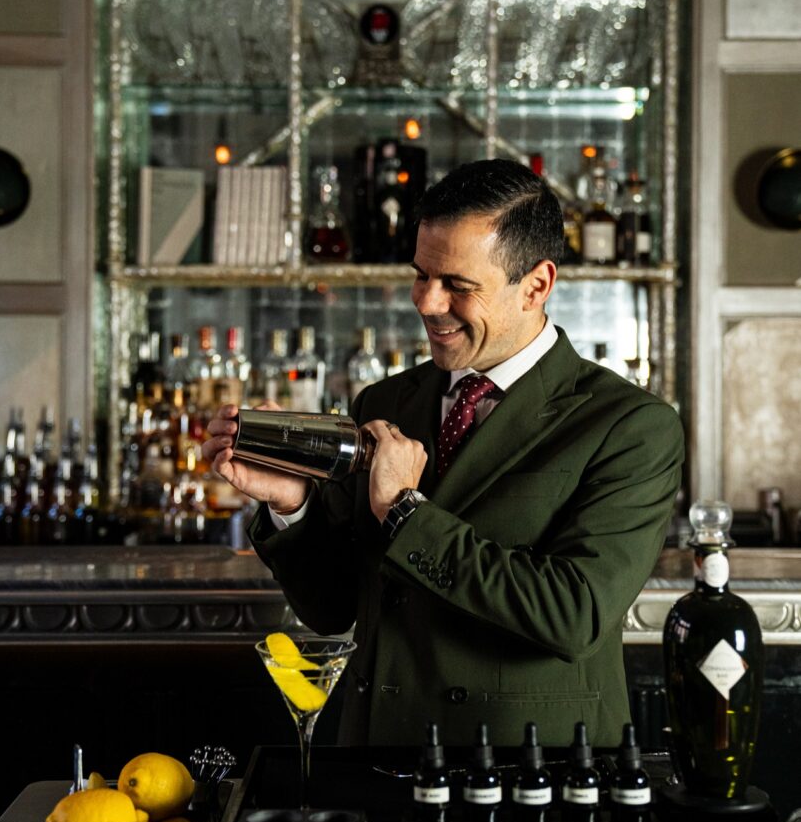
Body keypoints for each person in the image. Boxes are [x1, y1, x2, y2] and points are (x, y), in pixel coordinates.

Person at [203, 159, 684, 748]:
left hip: (528, 768)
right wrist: (291, 505)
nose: (427, 303)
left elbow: (574, 613)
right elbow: (332, 608)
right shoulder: (385, 400)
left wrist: (406, 510)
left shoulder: (629, 425)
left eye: (457, 285)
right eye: (420, 275)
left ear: (536, 285)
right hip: (379, 752)